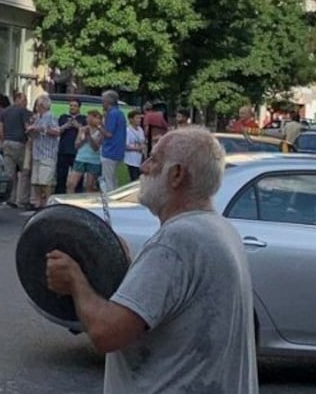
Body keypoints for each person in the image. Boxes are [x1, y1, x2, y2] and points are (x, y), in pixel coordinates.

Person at [45, 127, 259, 393]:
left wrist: (75, 280)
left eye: (154, 159)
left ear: (177, 174)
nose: (144, 167)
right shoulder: (220, 229)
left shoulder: (176, 241)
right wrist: (126, 266)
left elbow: (107, 332)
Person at [0, 91, 33, 209]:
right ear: (17, 99)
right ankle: (23, 199)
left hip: (7, 142)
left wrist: (4, 140)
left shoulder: (5, 111)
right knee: (25, 172)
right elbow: (27, 127)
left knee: (10, 173)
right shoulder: (23, 111)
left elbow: (0, 129)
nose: (26, 102)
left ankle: (10, 198)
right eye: (24, 100)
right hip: (20, 143)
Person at [26, 95, 61, 208]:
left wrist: (42, 129)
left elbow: (57, 132)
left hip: (47, 154)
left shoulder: (51, 117)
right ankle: (38, 202)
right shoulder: (37, 117)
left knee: (45, 181)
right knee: (35, 181)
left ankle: (47, 203)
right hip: (37, 153)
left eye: (37, 105)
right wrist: (31, 130)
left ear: (41, 105)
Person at [67, 110, 104, 194]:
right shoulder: (82, 129)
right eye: (88, 117)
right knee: (71, 183)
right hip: (81, 158)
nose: (89, 119)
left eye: (92, 117)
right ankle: (70, 200)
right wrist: (83, 139)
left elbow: (96, 148)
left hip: (94, 160)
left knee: (89, 185)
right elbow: (76, 145)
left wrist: (89, 136)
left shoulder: (101, 132)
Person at [56, 99, 86, 194]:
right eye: (71, 105)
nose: (72, 107)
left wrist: (78, 126)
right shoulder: (63, 117)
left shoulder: (83, 119)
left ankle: (77, 195)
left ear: (79, 107)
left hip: (77, 152)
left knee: (78, 177)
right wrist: (66, 125)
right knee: (61, 176)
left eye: (74, 106)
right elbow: (57, 131)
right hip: (63, 151)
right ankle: (60, 194)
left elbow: (86, 134)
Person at [99, 90, 126, 194]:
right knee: (114, 179)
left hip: (110, 150)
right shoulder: (120, 113)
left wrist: (98, 125)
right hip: (118, 151)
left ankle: (110, 202)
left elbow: (108, 134)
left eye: (103, 101)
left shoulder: (112, 113)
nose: (102, 103)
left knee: (108, 181)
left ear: (108, 101)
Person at [125, 110, 146, 181]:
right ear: (131, 119)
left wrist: (143, 146)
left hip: (140, 158)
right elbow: (126, 146)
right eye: (137, 118)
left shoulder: (140, 130)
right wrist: (137, 149)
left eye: (140, 118)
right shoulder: (127, 131)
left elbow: (142, 141)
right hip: (131, 159)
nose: (139, 120)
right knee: (134, 179)